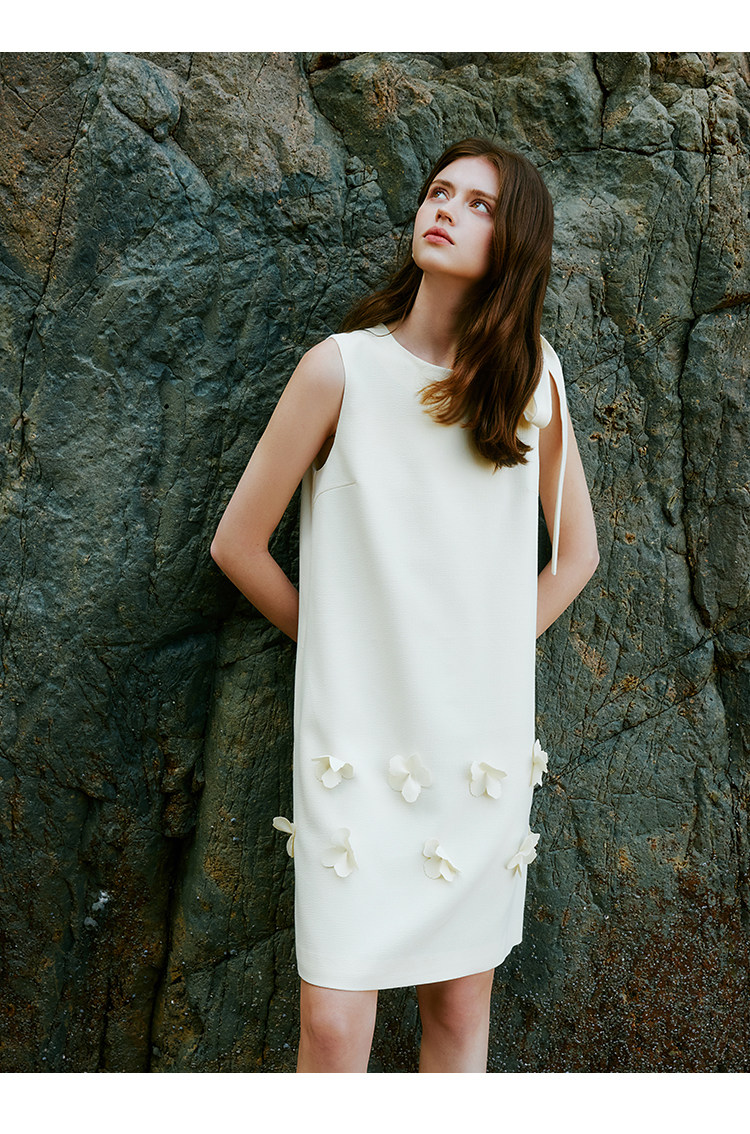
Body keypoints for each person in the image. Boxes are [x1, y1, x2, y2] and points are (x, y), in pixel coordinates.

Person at [210, 137, 599, 1073]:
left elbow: (578, 556)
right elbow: (237, 545)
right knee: (333, 1024)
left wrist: (484, 659)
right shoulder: (338, 370)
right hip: (354, 745)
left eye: (479, 204)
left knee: (460, 1010)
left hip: (476, 754)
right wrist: (341, 653)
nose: (446, 209)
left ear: (515, 243)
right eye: (438, 192)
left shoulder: (533, 380)